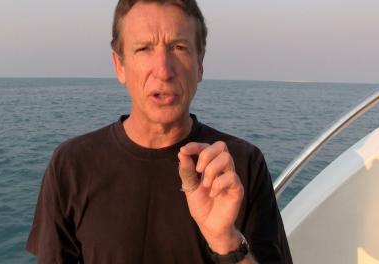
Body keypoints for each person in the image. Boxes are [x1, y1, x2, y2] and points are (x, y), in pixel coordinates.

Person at [26, 0, 292, 263]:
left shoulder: (239, 166)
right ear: (120, 66)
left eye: (179, 47)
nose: (164, 71)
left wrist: (225, 240)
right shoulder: (72, 165)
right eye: (143, 48)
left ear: (199, 65)